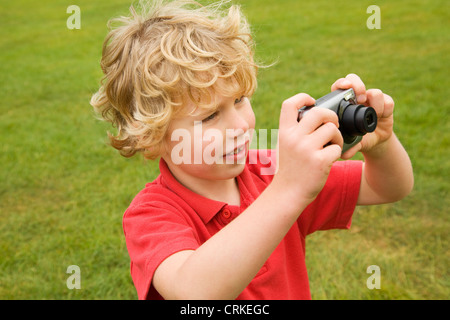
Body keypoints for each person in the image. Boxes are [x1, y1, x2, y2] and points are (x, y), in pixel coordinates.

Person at [90, 0, 413, 299]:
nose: (241, 126)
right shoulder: (152, 214)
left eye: (239, 100)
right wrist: (288, 190)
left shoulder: (272, 171)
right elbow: (194, 293)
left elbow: (387, 188)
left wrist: (381, 146)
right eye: (211, 116)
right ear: (153, 136)